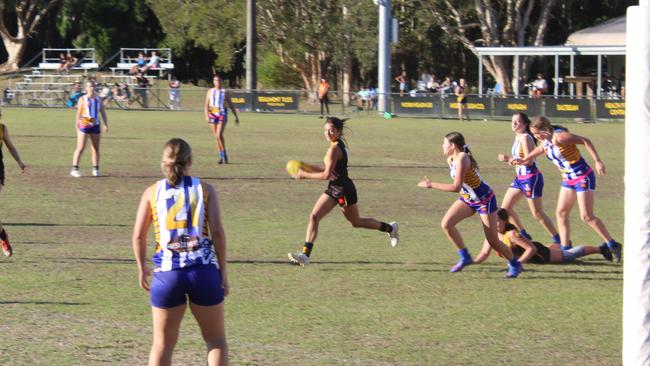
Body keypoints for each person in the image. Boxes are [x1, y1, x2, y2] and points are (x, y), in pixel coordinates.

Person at [132, 138, 228, 366]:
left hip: (167, 274)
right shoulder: (205, 190)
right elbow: (218, 233)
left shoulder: (151, 192)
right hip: (203, 271)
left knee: (162, 344)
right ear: (190, 161)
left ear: (164, 162)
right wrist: (223, 270)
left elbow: (138, 236)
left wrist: (141, 267)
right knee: (215, 340)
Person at [287, 117, 399, 266]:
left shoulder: (335, 149)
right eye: (326, 130)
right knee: (314, 216)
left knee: (356, 222)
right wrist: (305, 166)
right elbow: (327, 169)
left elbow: (326, 174)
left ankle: (390, 228)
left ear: (338, 132)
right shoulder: (334, 146)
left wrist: (304, 175)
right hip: (334, 188)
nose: (328, 133)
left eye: (331, 130)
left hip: (344, 191)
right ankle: (305, 255)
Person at [510, 116, 623, 262]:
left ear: (545, 130)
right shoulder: (546, 141)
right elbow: (540, 149)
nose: (536, 137)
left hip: (582, 176)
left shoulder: (560, 137)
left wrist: (597, 161)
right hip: (568, 179)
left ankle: (612, 244)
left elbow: (585, 141)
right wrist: (523, 160)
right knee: (561, 213)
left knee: (586, 216)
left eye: (537, 133)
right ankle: (565, 249)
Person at [416, 132, 523, 278]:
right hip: (468, 199)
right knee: (446, 224)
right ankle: (465, 256)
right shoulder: (451, 159)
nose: (442, 146)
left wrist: (431, 185)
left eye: (444, 143)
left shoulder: (462, 159)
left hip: (484, 200)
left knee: (493, 241)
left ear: (453, 146)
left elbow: (456, 187)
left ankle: (515, 264)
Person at [497, 113, 560, 244]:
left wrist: (509, 159)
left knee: (537, 213)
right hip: (520, 178)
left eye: (518, 122)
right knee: (504, 210)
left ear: (525, 124)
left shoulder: (525, 138)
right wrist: (512, 161)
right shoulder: (517, 137)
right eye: (513, 121)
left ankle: (558, 239)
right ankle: (523, 234)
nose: (514, 124)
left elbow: (529, 161)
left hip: (531, 178)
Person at [474, 208, 613, 265]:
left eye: (497, 221)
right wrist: (472, 263)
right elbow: (484, 253)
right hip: (534, 251)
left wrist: (518, 264)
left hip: (540, 254)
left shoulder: (512, 235)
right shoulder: (491, 235)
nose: (493, 224)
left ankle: (601, 249)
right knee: (560, 250)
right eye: (492, 221)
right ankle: (560, 245)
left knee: (569, 255)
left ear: (504, 222)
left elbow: (531, 249)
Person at [0, 114, 29, 257]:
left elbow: (10, 147)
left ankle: (3, 239)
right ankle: (2, 235)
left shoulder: (2, 129)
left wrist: (20, 162)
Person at [70, 81, 108, 178]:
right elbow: (78, 113)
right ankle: (75, 168)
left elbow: (102, 111)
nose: (92, 88)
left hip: (95, 124)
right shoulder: (82, 99)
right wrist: (76, 125)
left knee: (95, 148)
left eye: (93, 86)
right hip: (84, 124)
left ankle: (95, 168)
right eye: (90, 86)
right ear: (86, 88)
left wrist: (105, 124)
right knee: (80, 147)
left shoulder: (98, 99)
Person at [204, 75, 240, 164]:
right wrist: (206, 115)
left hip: (222, 114)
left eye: (219, 80)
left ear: (221, 82)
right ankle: (221, 156)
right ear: (213, 81)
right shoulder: (210, 91)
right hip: (212, 113)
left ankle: (224, 155)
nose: (217, 82)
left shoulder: (225, 92)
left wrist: (236, 116)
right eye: (216, 80)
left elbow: (230, 104)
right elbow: (206, 105)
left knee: (218, 135)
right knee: (216, 137)